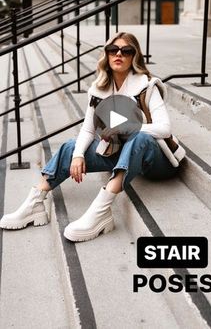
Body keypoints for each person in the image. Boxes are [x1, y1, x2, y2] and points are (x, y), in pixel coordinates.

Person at [0, 32, 183, 242]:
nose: (119, 54)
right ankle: (36, 202)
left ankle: (102, 210)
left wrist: (127, 128)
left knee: (138, 139)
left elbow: (164, 128)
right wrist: (78, 155)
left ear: (135, 56)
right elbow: (88, 130)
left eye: (126, 51)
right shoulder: (98, 89)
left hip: (157, 160)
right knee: (70, 146)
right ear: (106, 54)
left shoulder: (147, 85)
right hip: (123, 154)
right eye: (113, 50)